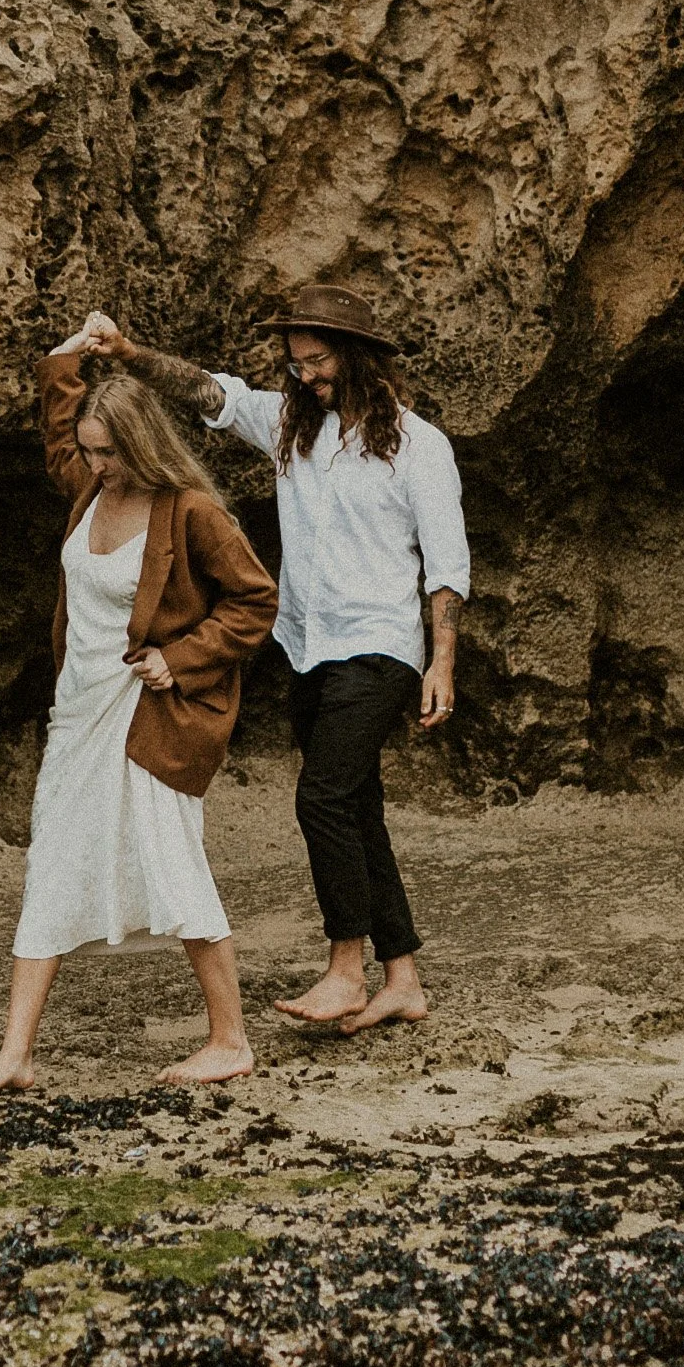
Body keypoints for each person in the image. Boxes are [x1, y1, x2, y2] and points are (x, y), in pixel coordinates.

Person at [97, 286, 469, 1034]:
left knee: (322, 799)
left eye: (318, 361)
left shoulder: (420, 445)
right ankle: (403, 979)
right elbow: (213, 395)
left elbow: (447, 568)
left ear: (360, 357)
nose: (305, 376)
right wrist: (130, 355)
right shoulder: (291, 427)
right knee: (357, 808)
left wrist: (441, 664)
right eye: (295, 364)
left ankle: (344, 970)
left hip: (382, 647)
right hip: (308, 647)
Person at [0, 324, 279, 1100]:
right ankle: (16, 1056)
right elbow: (60, 399)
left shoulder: (190, 510)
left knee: (175, 868)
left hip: (153, 715)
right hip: (79, 712)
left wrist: (181, 657)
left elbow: (255, 600)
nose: (93, 466)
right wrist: (78, 350)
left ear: (140, 444)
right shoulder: (88, 487)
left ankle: (230, 1040)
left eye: (107, 452)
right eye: (88, 450)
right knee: (51, 867)